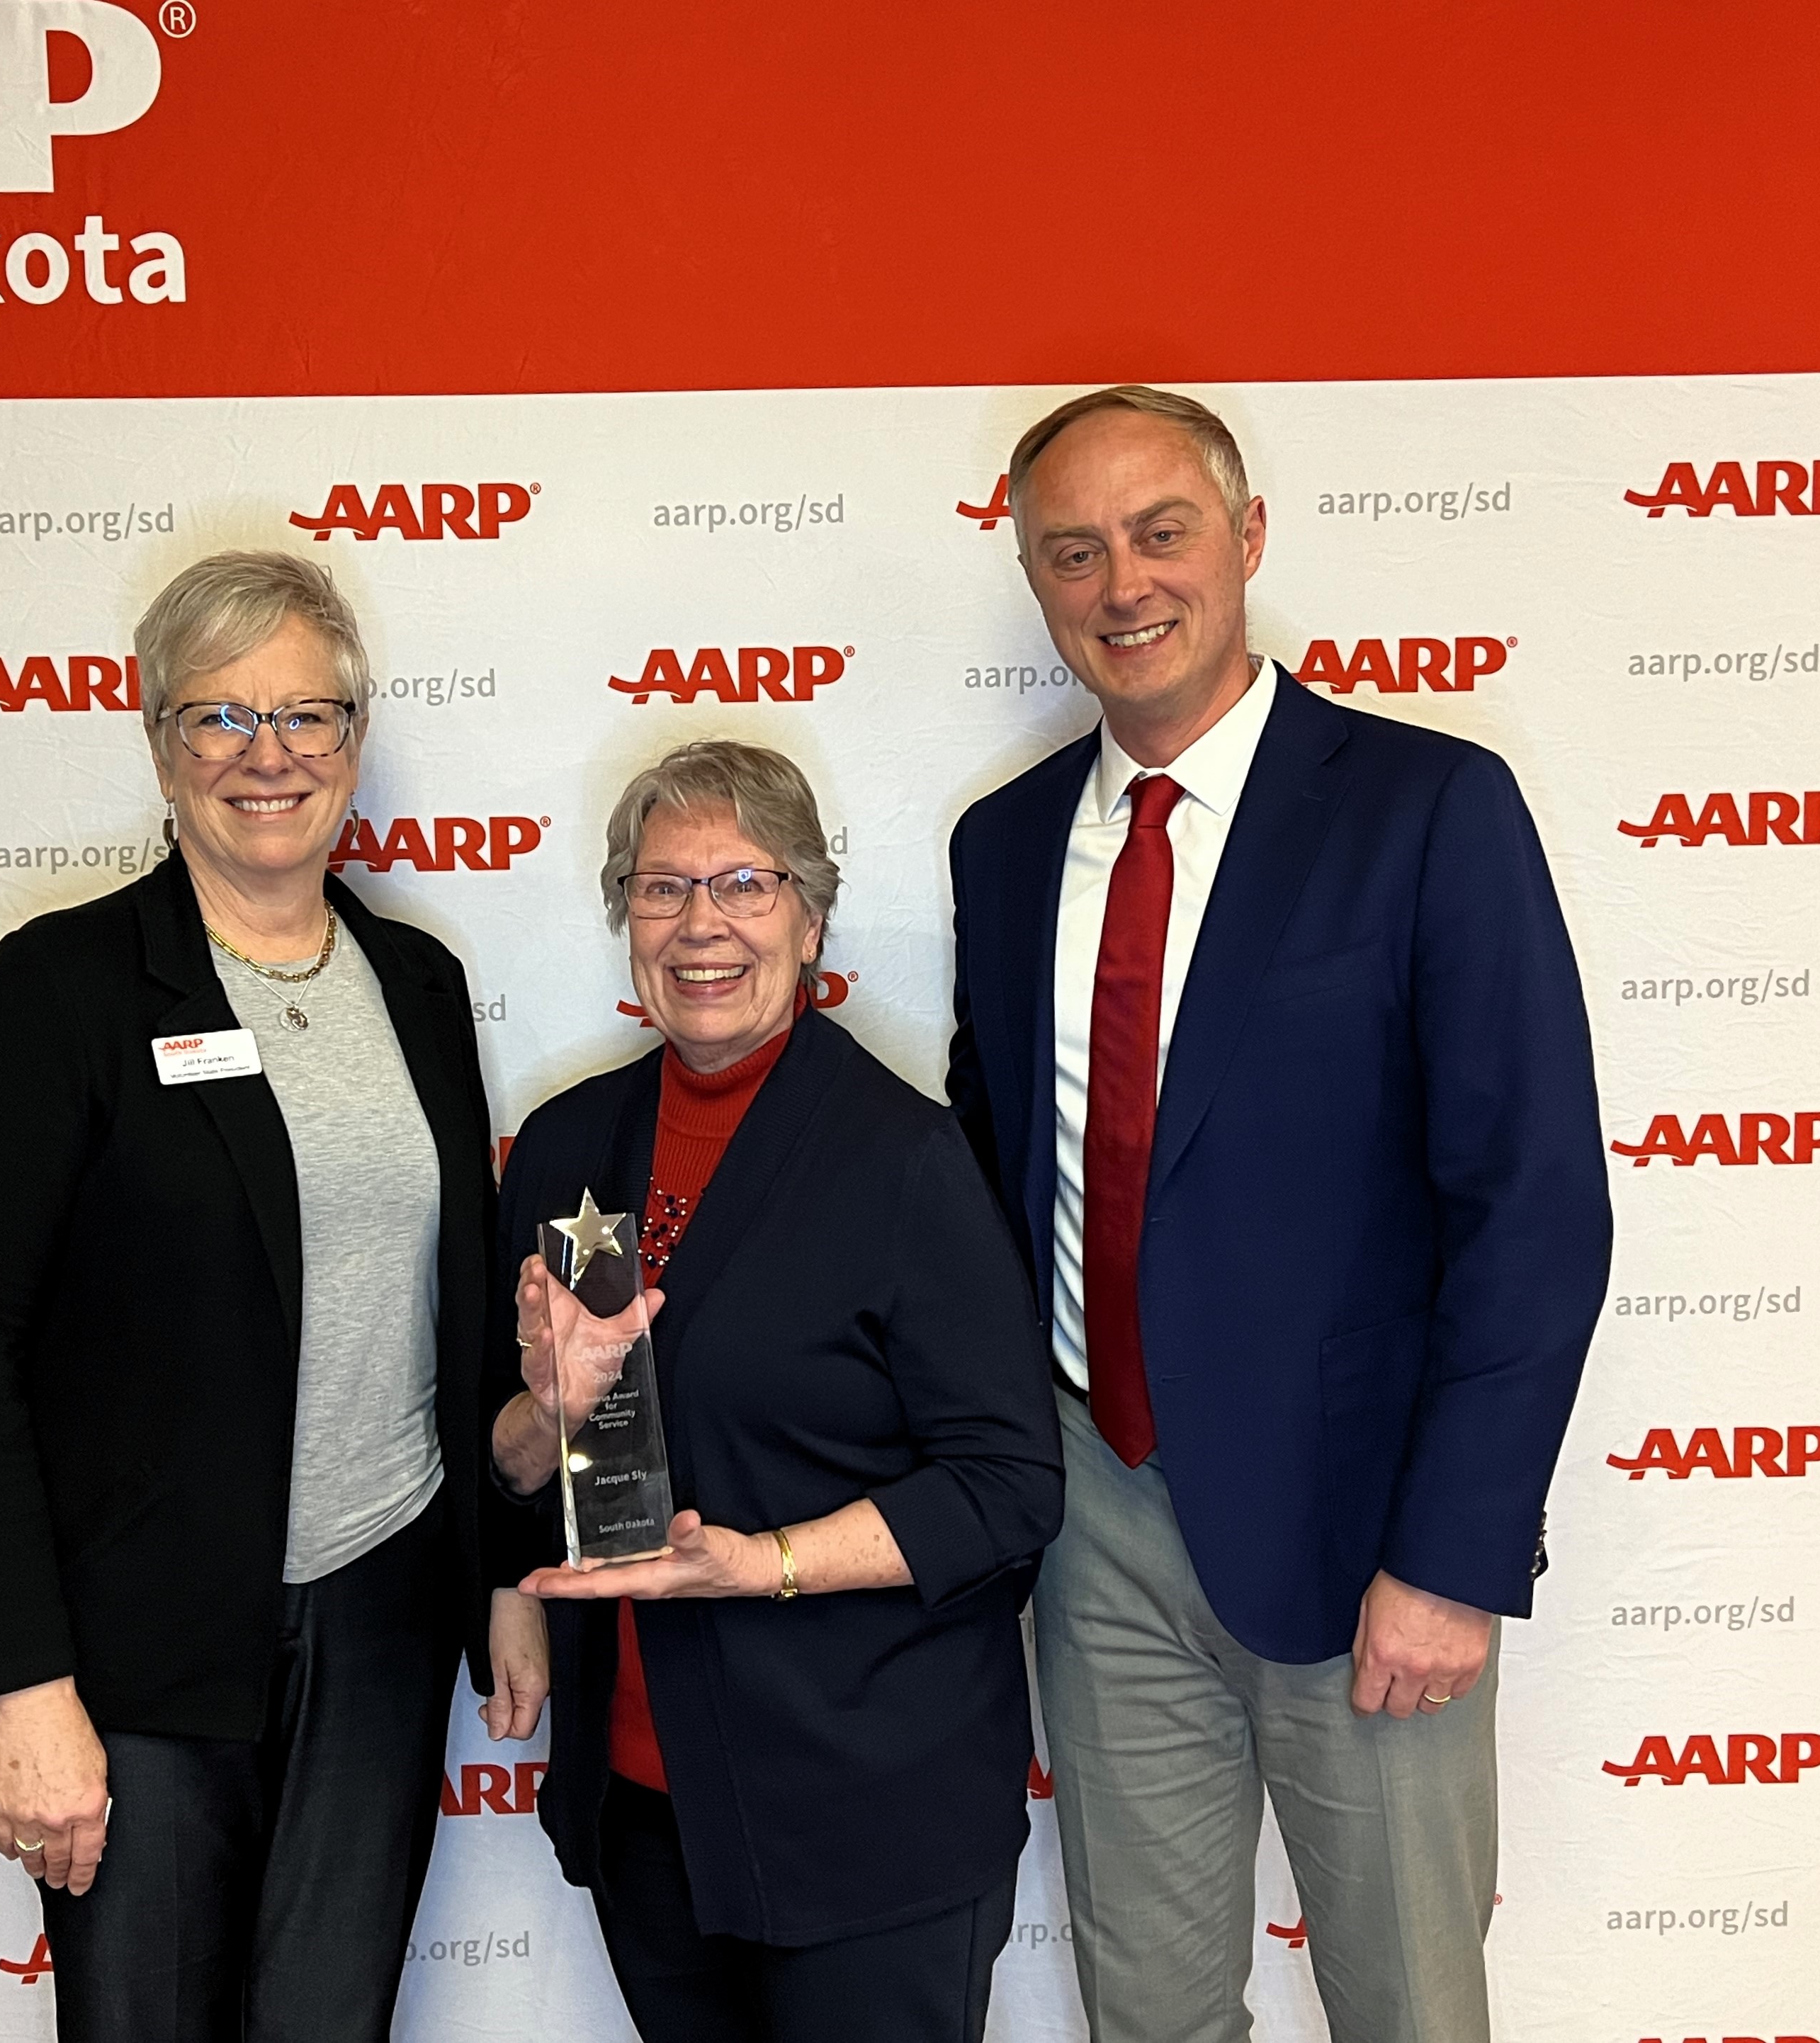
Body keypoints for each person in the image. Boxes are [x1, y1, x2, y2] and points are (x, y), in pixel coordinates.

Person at [946, 386, 1612, 2043]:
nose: (1123, 584)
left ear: (1245, 539)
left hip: (1362, 1533)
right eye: (1072, 551)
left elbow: (1530, 1205)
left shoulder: (1427, 809)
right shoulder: (1005, 844)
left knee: (1405, 2008)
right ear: (1032, 577)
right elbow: (982, 1173)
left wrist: (1452, 1556)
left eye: (1162, 533)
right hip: (1096, 1519)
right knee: (1150, 2016)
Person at [0, 550, 499, 2042]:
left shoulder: (416, 981)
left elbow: (463, 1312)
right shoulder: (67, 989)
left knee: (327, 2022)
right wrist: (26, 1685)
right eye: (219, 717)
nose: (268, 756)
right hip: (136, 1644)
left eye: (305, 714)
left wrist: (500, 1578)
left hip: (378, 1614)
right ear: (157, 740)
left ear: (355, 738)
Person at [479, 739, 1063, 2043]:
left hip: (866, 1815)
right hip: (643, 1804)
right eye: (662, 887)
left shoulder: (904, 1159)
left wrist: (766, 1566)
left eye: (745, 883)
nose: (701, 926)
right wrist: (543, 1417)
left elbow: (1008, 1490)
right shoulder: (568, 1147)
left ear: (811, 914)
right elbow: (513, 1464)